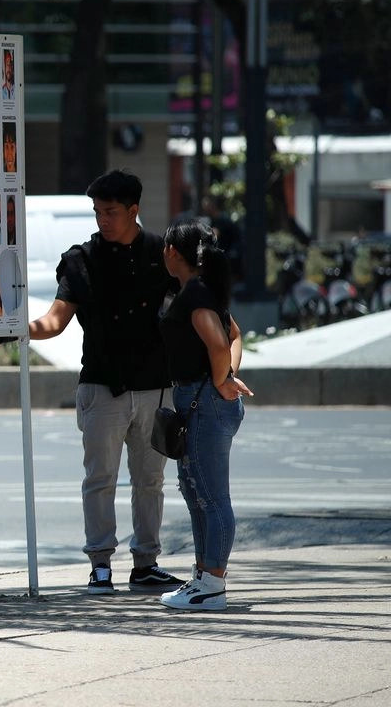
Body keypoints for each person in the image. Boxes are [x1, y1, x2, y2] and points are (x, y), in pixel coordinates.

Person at [26, 169, 184, 596]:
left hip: (155, 385)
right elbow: (55, 321)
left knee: (150, 480)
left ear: (134, 210)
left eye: (111, 212)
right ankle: (100, 566)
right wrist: (22, 328)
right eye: (97, 212)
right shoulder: (82, 259)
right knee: (100, 479)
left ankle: (146, 563)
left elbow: (191, 306)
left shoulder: (162, 254)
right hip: (102, 384)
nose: (103, 220)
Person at [157, 220, 253, 611]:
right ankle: (203, 577)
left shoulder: (195, 294)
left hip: (203, 401)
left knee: (211, 498)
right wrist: (225, 377)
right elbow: (234, 335)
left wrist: (222, 378)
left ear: (173, 253)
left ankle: (212, 584)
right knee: (197, 492)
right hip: (203, 398)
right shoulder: (201, 289)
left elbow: (219, 342)